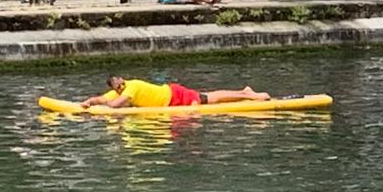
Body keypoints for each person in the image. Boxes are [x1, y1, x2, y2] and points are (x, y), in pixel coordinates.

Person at [81, 75, 270, 109]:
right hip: (171, 99)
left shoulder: (132, 86)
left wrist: (105, 103)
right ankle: (244, 92)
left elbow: (114, 105)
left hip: (174, 96)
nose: (119, 87)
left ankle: (249, 95)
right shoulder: (121, 90)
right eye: (116, 86)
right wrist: (89, 102)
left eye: (119, 84)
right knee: (208, 96)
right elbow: (103, 99)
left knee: (207, 99)